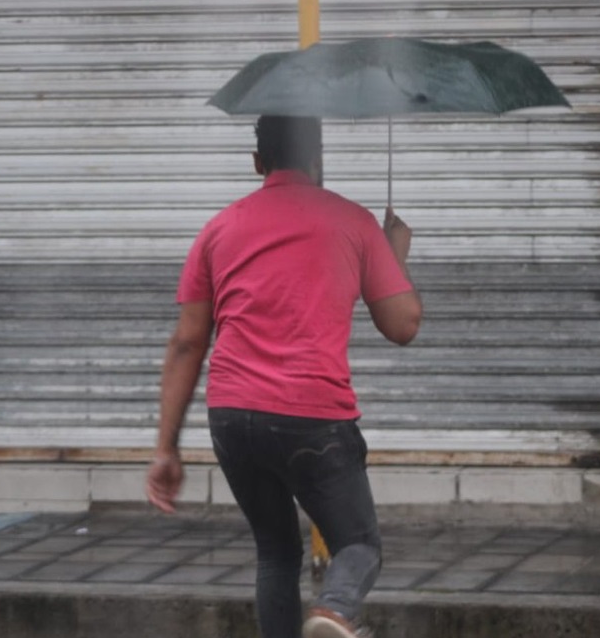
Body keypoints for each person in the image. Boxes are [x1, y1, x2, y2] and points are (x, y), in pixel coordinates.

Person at [145, 115, 422, 638]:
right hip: (311, 417)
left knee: (275, 552)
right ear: (319, 162)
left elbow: (187, 342)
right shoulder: (353, 221)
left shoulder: (219, 228)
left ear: (258, 163)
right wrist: (394, 256)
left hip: (231, 418)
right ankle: (335, 610)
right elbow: (402, 325)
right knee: (359, 545)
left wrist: (166, 448)